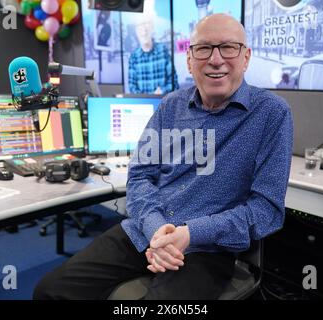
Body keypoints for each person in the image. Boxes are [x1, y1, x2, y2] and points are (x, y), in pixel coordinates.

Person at [33, 13, 293, 300]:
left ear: (246, 57)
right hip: (143, 232)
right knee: (49, 292)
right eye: (204, 48)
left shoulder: (272, 114)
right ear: (189, 60)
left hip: (206, 249)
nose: (216, 59)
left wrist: (192, 232)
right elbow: (141, 175)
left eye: (229, 47)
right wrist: (156, 229)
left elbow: (267, 209)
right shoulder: (171, 106)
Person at [128, 15, 179, 94]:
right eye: (140, 26)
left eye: (146, 24)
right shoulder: (133, 57)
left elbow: (174, 83)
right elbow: (132, 88)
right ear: (136, 31)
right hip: (143, 105)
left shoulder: (163, 50)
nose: (144, 30)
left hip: (163, 103)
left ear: (152, 28)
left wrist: (162, 92)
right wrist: (146, 98)